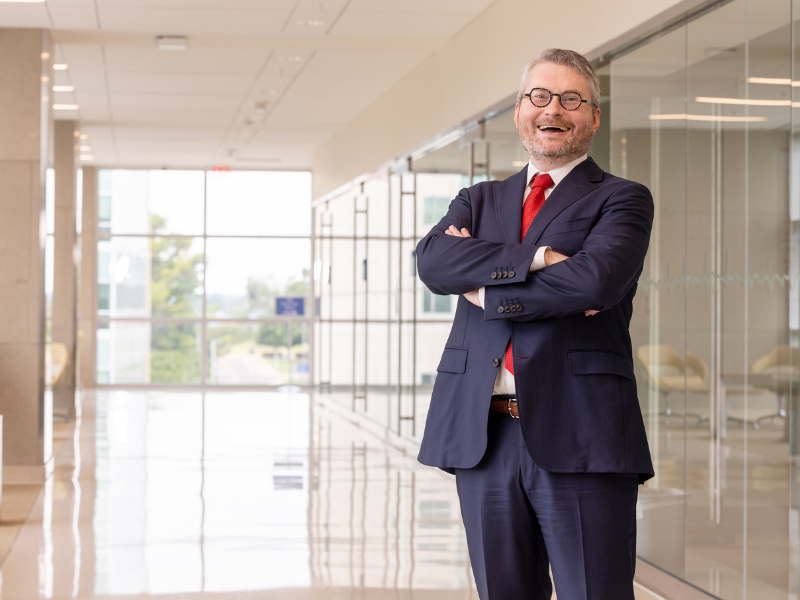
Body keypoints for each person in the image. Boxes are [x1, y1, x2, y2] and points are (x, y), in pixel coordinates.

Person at [415, 48, 655, 600]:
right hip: (485, 434)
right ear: (520, 111)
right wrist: (542, 260)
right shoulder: (477, 200)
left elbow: (595, 284)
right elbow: (433, 263)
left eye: (572, 99)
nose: (554, 110)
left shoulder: (620, 199)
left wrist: (483, 288)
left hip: (583, 434)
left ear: (593, 116)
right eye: (539, 96)